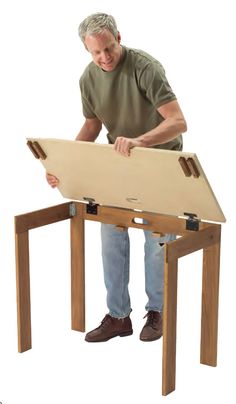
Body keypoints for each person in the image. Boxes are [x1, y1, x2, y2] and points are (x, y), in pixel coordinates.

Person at [47, 12, 187, 342]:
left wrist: (139, 140)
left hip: (160, 161)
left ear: (118, 38)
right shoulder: (88, 78)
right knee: (110, 233)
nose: (104, 57)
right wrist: (66, 166)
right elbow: (93, 125)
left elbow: (178, 121)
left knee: (156, 242)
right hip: (119, 163)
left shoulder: (145, 67)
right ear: (87, 50)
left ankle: (158, 312)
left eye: (108, 48)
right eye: (96, 52)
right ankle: (118, 316)